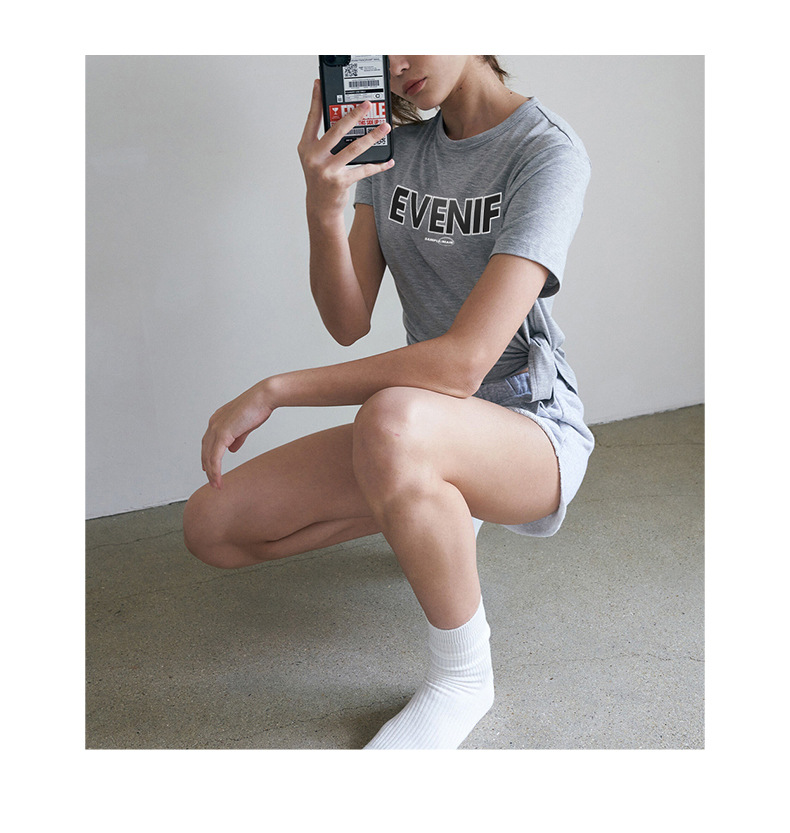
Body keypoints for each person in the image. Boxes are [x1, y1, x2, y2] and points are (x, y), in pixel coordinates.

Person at [182, 55, 594, 749]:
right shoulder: (394, 148)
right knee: (211, 526)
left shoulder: (547, 152)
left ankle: (463, 678)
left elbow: (463, 364)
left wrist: (276, 389)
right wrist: (324, 207)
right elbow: (347, 321)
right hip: (415, 426)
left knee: (392, 415)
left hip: (529, 429)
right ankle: (434, 506)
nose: (397, 63)